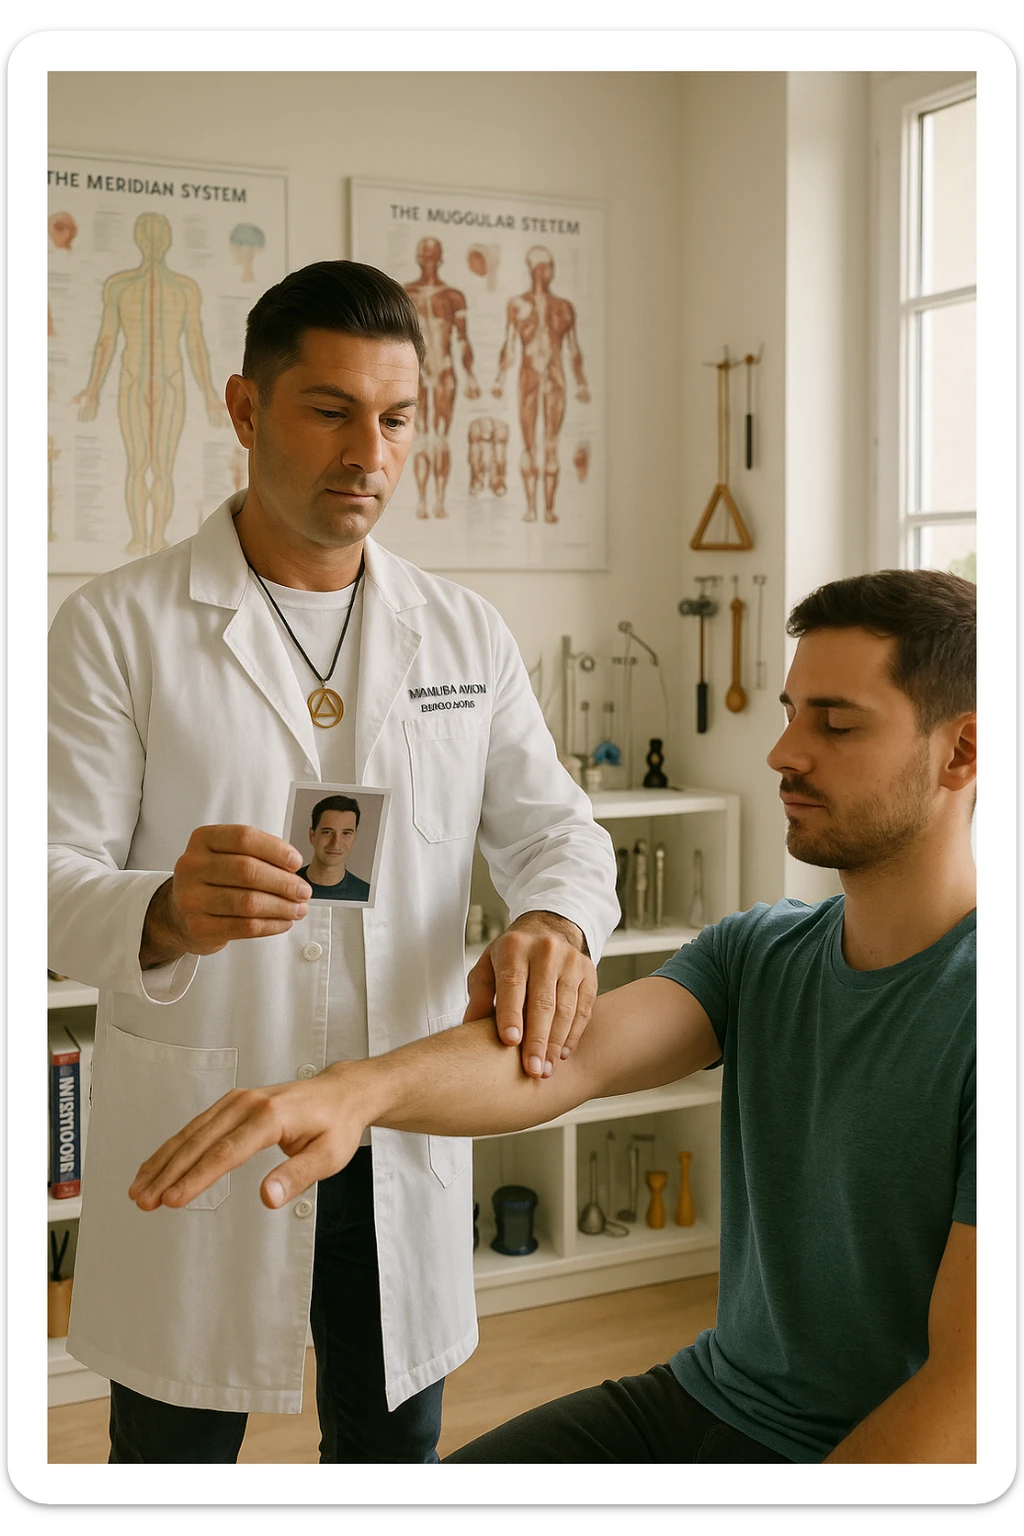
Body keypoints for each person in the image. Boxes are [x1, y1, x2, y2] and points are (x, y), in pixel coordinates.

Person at [131, 570, 977, 1465]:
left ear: (961, 753)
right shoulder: (760, 953)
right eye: (790, 712)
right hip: (711, 1398)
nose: (781, 753)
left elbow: (968, 1395)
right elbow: (560, 1062)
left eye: (835, 724)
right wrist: (351, 1094)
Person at [48, 258, 619, 1465]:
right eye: (330, 410)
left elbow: (558, 831)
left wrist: (555, 924)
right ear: (247, 410)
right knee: (171, 1454)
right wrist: (163, 910)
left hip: (395, 1114)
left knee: (390, 1450)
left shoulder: (462, 630)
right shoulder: (119, 626)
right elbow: (42, 879)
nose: (370, 450)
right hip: (215, 1110)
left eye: (397, 418)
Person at [298, 794, 371, 902]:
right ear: (312, 836)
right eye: (327, 832)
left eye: (346, 833)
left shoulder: (366, 894)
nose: (336, 843)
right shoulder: (287, 884)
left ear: (354, 837)